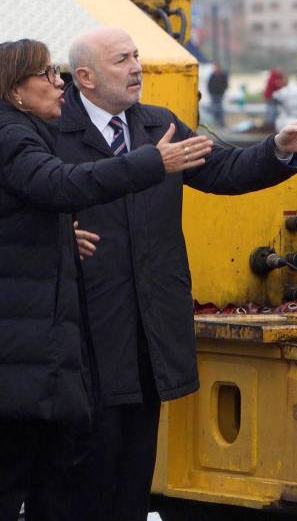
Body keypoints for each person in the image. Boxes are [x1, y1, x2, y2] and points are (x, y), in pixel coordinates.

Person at [56, 26, 297, 521]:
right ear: (86, 77)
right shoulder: (55, 133)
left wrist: (279, 148)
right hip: (86, 329)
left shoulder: (157, 125)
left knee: (135, 466)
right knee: (85, 466)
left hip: (148, 325)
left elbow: (223, 170)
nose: (138, 67)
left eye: (137, 56)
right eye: (123, 60)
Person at [0, 39, 212, 521]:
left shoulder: (154, 122)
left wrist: (279, 150)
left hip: (87, 348)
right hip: (42, 355)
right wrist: (152, 162)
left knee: (115, 480)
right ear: (15, 89)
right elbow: (58, 185)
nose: (60, 85)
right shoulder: (20, 136)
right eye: (49, 76)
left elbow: (26, 210)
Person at [206, 63, 228, 127]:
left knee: (219, 108)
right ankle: (215, 123)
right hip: (213, 95)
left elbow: (225, 84)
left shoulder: (222, 75)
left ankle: (221, 123)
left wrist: (222, 91)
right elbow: (209, 84)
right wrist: (210, 92)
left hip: (220, 94)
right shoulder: (212, 75)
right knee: (214, 109)